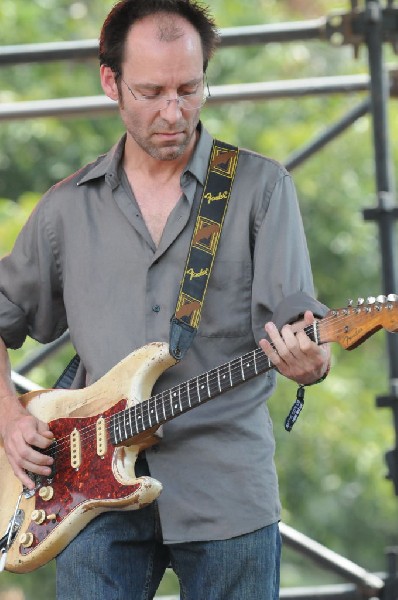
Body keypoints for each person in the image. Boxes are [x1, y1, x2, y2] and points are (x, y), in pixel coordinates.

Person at [0, 1, 331, 598]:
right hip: (87, 496)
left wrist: (315, 357)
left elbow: (297, 319)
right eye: (151, 92)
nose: (173, 112)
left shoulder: (260, 188)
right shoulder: (67, 208)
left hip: (227, 487)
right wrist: (9, 415)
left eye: (189, 88)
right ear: (111, 82)